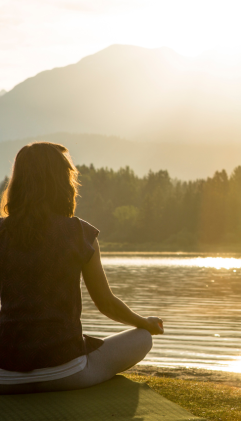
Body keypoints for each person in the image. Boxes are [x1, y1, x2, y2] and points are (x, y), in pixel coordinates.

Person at [0, 142, 163, 395]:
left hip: (5, 376)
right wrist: (145, 323)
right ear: (63, 182)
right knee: (143, 338)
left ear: (18, 182)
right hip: (67, 373)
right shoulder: (79, 233)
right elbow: (106, 303)